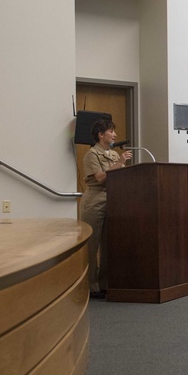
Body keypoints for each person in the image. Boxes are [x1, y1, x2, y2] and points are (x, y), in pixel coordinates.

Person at [80, 118, 132, 299]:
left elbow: (121, 176)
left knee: (109, 244)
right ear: (101, 135)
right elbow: (101, 178)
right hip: (95, 199)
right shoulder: (92, 154)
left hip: (113, 200)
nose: (115, 135)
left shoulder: (114, 154)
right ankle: (90, 286)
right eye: (111, 131)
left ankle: (106, 283)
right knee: (92, 244)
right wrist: (119, 163)